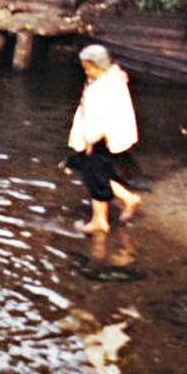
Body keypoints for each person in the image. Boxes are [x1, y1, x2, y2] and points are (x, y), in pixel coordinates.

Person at [66, 43, 142, 234]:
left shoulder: (104, 88)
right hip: (106, 136)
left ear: (98, 65)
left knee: (95, 176)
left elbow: (100, 119)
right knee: (96, 171)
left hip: (101, 138)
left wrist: (90, 140)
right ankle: (128, 198)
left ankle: (99, 221)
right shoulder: (108, 79)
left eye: (88, 68)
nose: (86, 71)